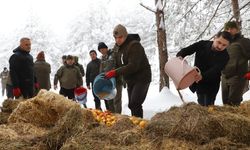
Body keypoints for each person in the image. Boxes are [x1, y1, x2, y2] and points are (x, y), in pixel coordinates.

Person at [105, 24, 151, 118]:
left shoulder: (134, 45)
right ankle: (137, 122)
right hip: (130, 79)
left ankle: (139, 125)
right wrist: (109, 73)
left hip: (142, 78)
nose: (118, 40)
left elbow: (133, 66)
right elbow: (117, 64)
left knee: (135, 103)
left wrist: (115, 72)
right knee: (131, 105)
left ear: (125, 35)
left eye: (120, 37)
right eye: (115, 38)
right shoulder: (118, 49)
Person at [176, 31, 232, 106]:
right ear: (215, 38)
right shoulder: (202, 44)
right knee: (201, 103)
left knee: (208, 106)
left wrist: (202, 76)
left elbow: (215, 70)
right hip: (198, 82)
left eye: (224, 45)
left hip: (211, 84)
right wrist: (180, 55)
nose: (220, 46)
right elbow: (187, 50)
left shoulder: (225, 56)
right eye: (219, 42)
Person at [221, 21, 250, 106]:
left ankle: (234, 119)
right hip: (224, 77)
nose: (229, 30)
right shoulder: (224, 42)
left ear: (237, 29)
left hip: (238, 76)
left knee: (233, 103)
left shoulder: (244, 42)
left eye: (232, 28)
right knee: (225, 103)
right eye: (227, 29)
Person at [98, 42, 115, 112]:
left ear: (106, 48)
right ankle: (112, 114)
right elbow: (101, 70)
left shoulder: (112, 55)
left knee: (116, 99)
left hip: (115, 79)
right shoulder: (102, 58)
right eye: (100, 50)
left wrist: (106, 73)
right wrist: (100, 77)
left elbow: (113, 65)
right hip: (107, 80)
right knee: (109, 98)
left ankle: (118, 116)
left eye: (103, 49)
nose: (102, 51)